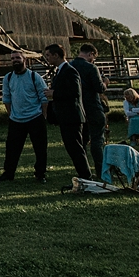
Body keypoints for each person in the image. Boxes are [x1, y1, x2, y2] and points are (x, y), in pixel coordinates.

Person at [0, 51, 49, 183]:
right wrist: (11, 114)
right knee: (12, 148)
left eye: (18, 58)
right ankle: (8, 173)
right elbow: (6, 98)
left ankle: (40, 174)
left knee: (40, 148)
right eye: (12, 58)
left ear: (24, 59)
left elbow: (44, 97)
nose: (15, 60)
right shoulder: (7, 78)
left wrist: (43, 115)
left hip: (35, 117)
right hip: (16, 119)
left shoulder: (34, 77)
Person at [43, 43, 91, 179]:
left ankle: (86, 176)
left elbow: (75, 92)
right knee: (72, 148)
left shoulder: (70, 71)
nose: (47, 58)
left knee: (76, 148)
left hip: (72, 117)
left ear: (56, 55)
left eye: (48, 55)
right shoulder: (60, 70)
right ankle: (83, 175)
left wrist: (54, 93)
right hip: (65, 117)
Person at [72, 43, 110, 178]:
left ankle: (84, 171)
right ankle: (101, 170)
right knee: (97, 140)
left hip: (77, 109)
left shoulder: (69, 66)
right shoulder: (91, 67)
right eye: (94, 57)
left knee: (81, 141)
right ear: (90, 54)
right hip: (93, 107)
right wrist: (105, 82)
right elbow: (99, 88)